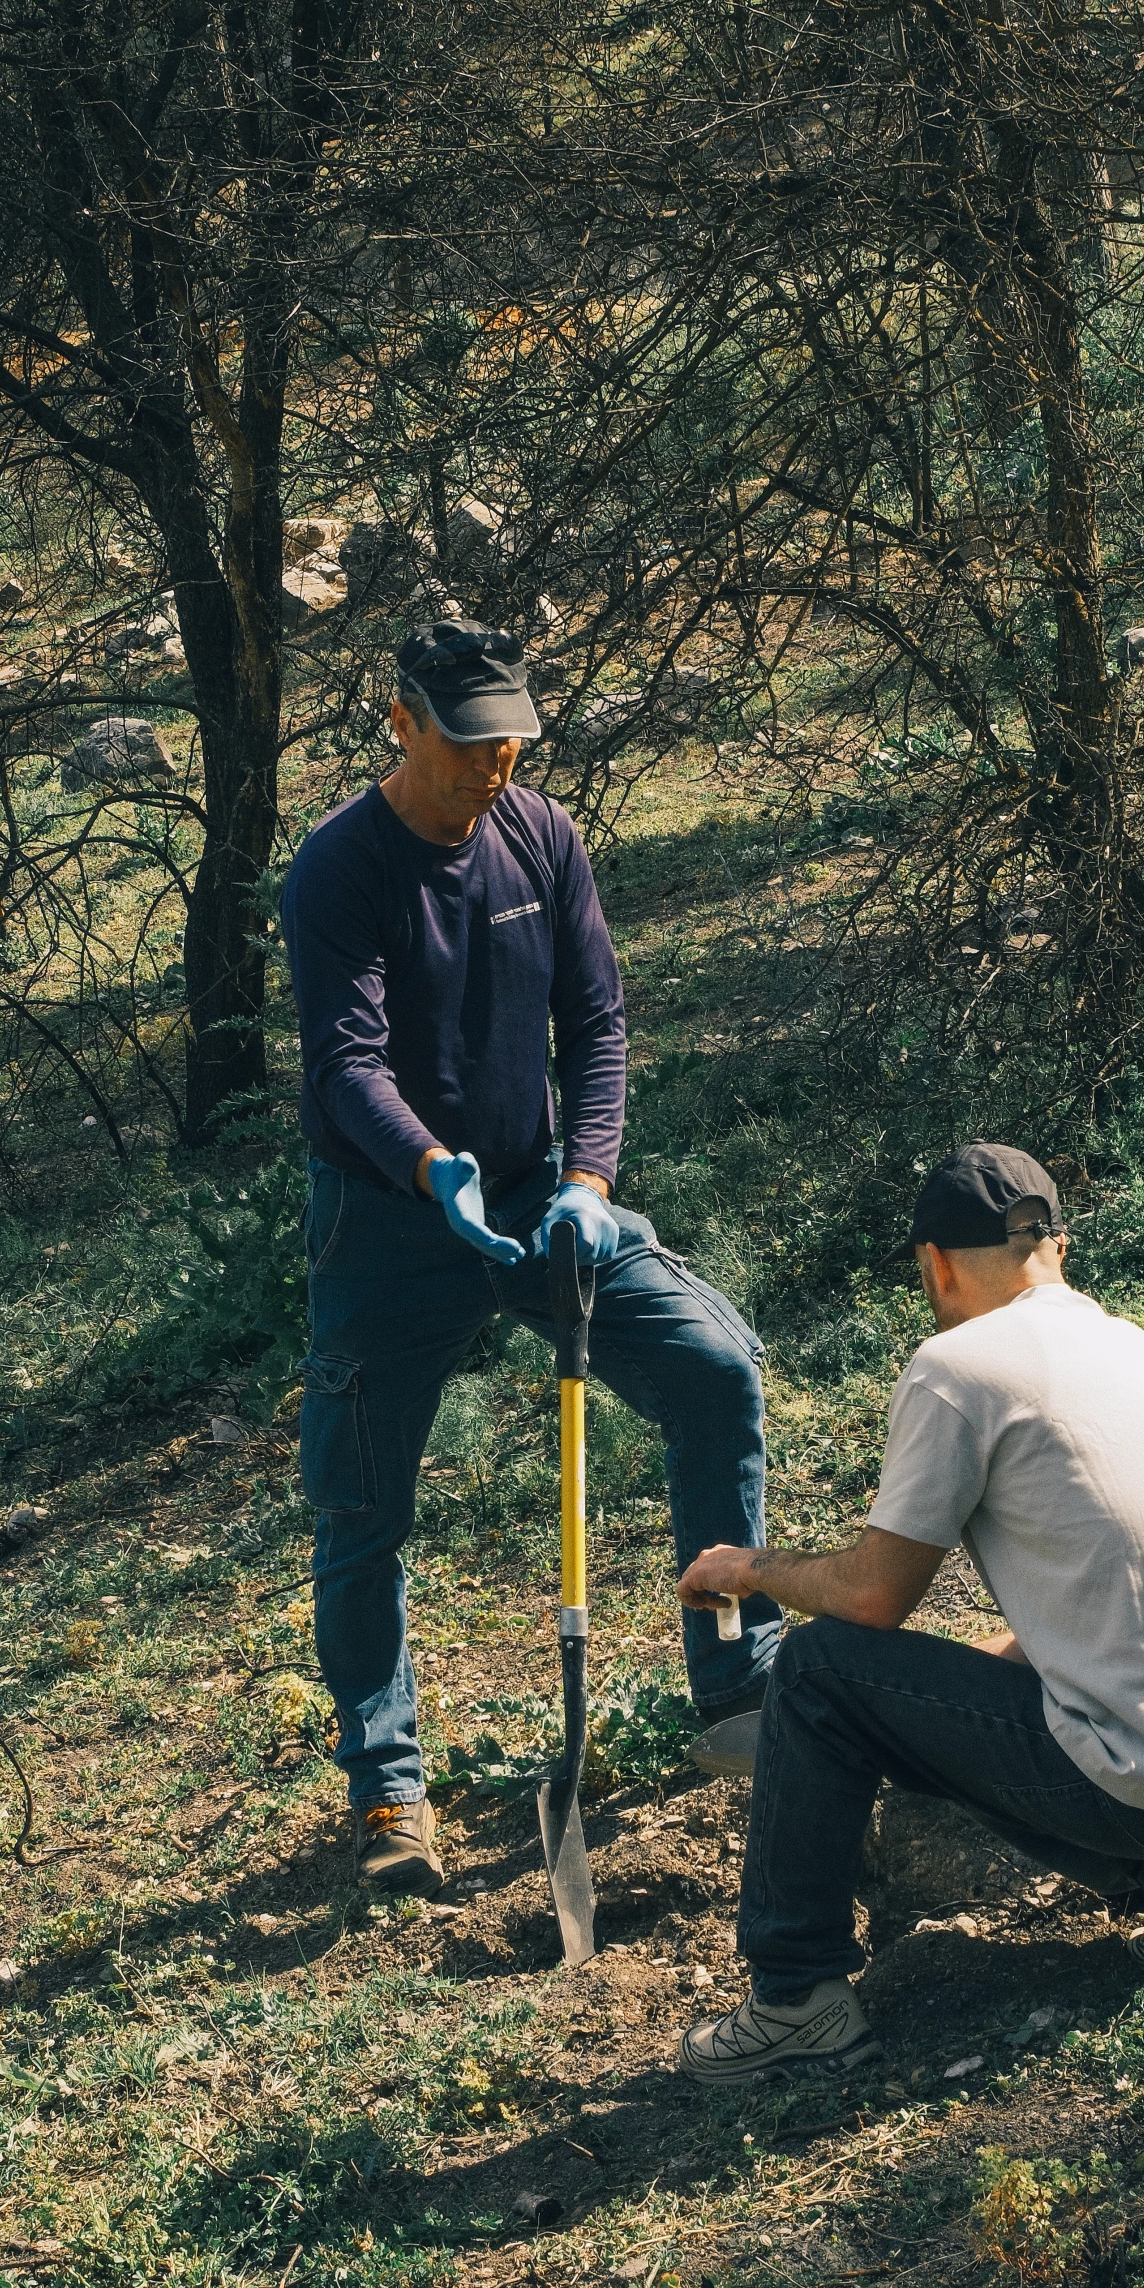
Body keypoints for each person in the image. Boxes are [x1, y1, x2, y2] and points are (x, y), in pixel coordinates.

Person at [279, 615, 779, 1898]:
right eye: (465, 748)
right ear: (401, 722)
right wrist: (428, 1169)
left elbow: (598, 1022)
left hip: (543, 1206)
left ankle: (735, 1681)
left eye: (509, 749)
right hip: (392, 1223)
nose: (489, 773)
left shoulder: (541, 836)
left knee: (713, 1368)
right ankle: (390, 1790)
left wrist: (589, 1181)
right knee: (362, 1510)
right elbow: (346, 1063)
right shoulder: (338, 869)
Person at [671, 1143, 1144, 2084]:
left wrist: (749, 1565)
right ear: (1056, 1246)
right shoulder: (1143, 1351)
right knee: (948, 1689)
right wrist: (973, 1676)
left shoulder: (957, 1366)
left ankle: (795, 1999)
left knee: (818, 1671)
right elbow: (1137, 1580)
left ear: (932, 1263)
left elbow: (871, 1599)